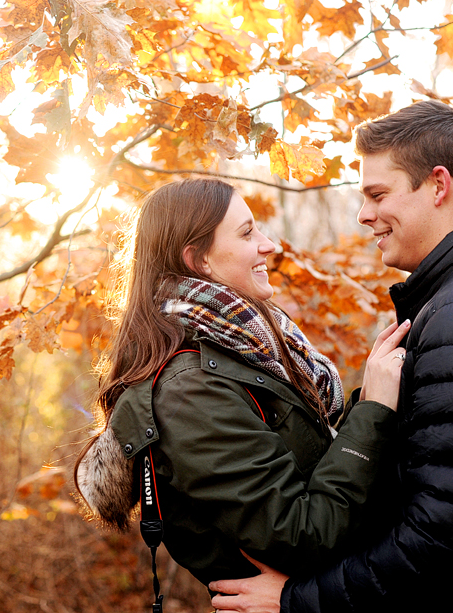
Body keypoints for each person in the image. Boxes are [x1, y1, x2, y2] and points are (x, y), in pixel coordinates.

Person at [209, 99, 453, 612]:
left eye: (378, 194)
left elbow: (450, 538)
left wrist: (298, 600)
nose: (364, 214)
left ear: (439, 186)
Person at [73, 178, 409, 589]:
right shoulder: (190, 391)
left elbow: (316, 461)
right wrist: (374, 410)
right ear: (199, 260)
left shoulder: (249, 348)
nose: (269, 245)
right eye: (248, 233)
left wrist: (375, 394)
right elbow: (301, 534)